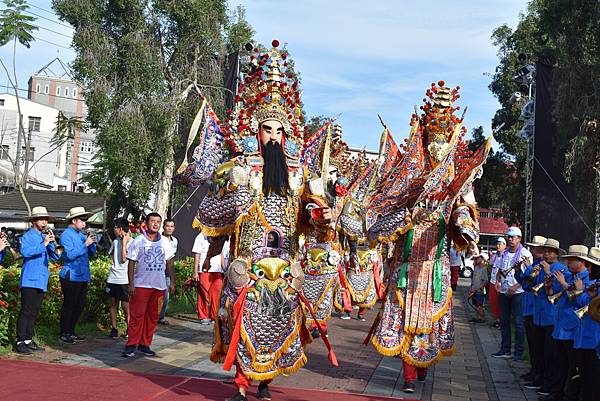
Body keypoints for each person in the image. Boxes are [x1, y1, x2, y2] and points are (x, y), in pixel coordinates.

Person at [193, 42, 336, 401]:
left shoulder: (300, 173)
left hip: (285, 268)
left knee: (279, 326)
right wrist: (231, 200)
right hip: (249, 266)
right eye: (267, 130)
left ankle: (266, 383)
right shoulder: (239, 169)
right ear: (257, 132)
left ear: (287, 134)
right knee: (241, 324)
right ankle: (242, 383)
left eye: (278, 131)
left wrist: (323, 215)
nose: (273, 137)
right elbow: (211, 216)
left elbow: (312, 214)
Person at [367, 82, 491, 394]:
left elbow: (464, 214)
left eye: (442, 140)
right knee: (405, 318)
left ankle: (421, 367)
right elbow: (381, 221)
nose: (437, 147)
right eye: (432, 139)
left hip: (435, 266)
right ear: (424, 138)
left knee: (428, 322)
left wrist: (469, 235)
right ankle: (409, 375)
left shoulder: (457, 182)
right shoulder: (408, 178)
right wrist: (410, 218)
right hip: (408, 263)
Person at [122, 212, 175, 358]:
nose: (156, 224)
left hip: (159, 286)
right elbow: (131, 263)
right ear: (147, 223)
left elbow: (170, 263)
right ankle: (131, 344)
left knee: (153, 316)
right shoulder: (138, 241)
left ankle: (145, 344)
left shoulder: (165, 242)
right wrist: (131, 284)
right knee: (137, 316)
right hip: (141, 285)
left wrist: (172, 282)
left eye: (158, 221)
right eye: (153, 221)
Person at [543, 244, 591, 401]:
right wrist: (549, 288)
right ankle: (556, 393)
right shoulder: (569, 276)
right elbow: (555, 296)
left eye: (571, 260)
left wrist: (564, 284)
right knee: (560, 363)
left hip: (573, 328)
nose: (568, 263)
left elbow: (582, 302)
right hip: (560, 325)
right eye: (568, 259)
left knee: (572, 365)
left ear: (582, 262)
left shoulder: (587, 280)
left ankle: (567, 395)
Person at [15, 207, 60, 354]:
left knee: (34, 311)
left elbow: (56, 257)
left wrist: (52, 243)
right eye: (41, 219)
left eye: (46, 219)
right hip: (29, 279)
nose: (45, 222)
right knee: (26, 311)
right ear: (34, 221)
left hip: (41, 279)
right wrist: (44, 244)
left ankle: (28, 339)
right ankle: (20, 341)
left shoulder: (44, 236)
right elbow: (26, 252)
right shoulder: (28, 236)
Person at [528, 238, 565, 398]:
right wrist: (531, 273)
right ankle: (538, 377)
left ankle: (548, 383)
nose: (547, 254)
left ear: (556, 254)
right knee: (538, 350)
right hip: (538, 314)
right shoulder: (539, 266)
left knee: (550, 352)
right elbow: (528, 286)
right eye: (545, 251)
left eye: (550, 251)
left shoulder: (561, 269)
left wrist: (549, 272)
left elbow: (559, 291)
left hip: (551, 316)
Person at [492, 226, 532, 361]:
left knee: (518, 323)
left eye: (512, 237)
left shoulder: (525, 253)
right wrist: (497, 280)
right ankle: (505, 348)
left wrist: (516, 286)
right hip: (503, 290)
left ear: (519, 238)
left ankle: (518, 353)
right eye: (508, 237)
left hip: (518, 292)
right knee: (504, 320)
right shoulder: (504, 252)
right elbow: (500, 268)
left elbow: (529, 275)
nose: (510, 239)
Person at [58, 207, 96, 344]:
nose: (84, 224)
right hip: (71, 275)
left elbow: (92, 254)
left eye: (86, 220)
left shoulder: (81, 235)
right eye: (82, 220)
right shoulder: (66, 235)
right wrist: (85, 244)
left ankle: (72, 331)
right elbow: (69, 255)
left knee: (79, 304)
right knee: (69, 304)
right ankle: (64, 332)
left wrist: (91, 243)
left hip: (82, 275)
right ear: (74, 220)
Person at [516, 235, 546, 388]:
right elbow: (524, 282)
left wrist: (530, 269)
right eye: (533, 248)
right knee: (532, 344)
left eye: (536, 248)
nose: (533, 250)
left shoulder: (543, 266)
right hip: (529, 307)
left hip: (537, 310)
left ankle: (539, 373)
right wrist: (517, 270)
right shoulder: (534, 264)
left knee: (538, 345)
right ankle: (534, 370)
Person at [572, 246, 600, 401]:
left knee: (593, 381)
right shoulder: (593, 283)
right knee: (586, 378)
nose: (588, 270)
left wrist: (582, 292)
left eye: (590, 266)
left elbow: (589, 308)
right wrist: (585, 293)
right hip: (586, 337)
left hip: (594, 338)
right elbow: (582, 305)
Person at [192, 232, 228, 325]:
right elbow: (197, 255)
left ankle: (214, 315)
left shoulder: (220, 236)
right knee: (203, 293)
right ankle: (203, 316)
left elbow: (221, 255)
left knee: (217, 293)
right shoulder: (201, 237)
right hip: (204, 270)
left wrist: (225, 270)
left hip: (216, 270)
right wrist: (195, 272)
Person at [105, 218, 131, 339]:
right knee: (113, 303)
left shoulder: (132, 242)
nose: (113, 230)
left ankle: (129, 327)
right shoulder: (115, 242)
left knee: (126, 304)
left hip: (124, 279)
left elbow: (123, 259)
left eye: (115, 228)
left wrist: (125, 243)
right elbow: (111, 255)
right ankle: (114, 328)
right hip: (113, 277)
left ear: (120, 229)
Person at [158, 218, 178, 325]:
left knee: (166, 296)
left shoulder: (175, 241)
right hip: (158, 271)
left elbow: (172, 258)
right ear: (164, 227)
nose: (169, 228)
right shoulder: (159, 239)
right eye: (167, 226)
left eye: (171, 226)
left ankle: (161, 316)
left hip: (168, 272)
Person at [488, 237, 506, 329]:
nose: (498, 246)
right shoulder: (494, 256)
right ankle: (497, 320)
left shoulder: (506, 256)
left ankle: (501, 321)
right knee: (493, 301)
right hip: (492, 281)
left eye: (500, 244)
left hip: (501, 283)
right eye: (497, 244)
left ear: (504, 245)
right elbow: (490, 265)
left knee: (501, 303)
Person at [468, 253, 488, 323]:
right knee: (475, 304)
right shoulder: (476, 267)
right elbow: (473, 279)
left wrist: (481, 288)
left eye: (478, 258)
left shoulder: (484, 269)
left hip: (479, 291)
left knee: (480, 305)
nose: (476, 260)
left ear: (482, 259)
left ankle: (482, 318)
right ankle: (477, 317)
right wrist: (471, 288)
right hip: (474, 289)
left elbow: (485, 280)